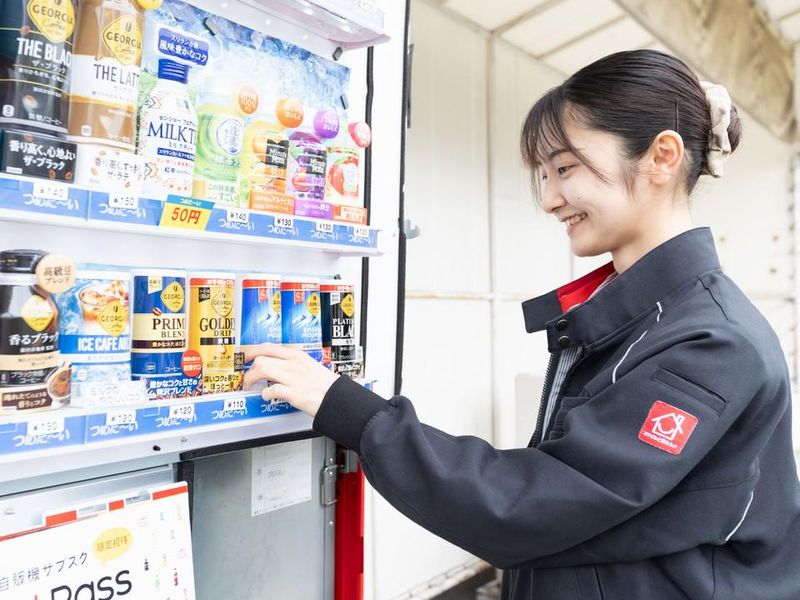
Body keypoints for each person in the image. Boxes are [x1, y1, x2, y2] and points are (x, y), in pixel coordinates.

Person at [243, 50, 800, 599]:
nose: (550, 199)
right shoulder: (644, 316)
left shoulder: (712, 344)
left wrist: (348, 408)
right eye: (545, 174)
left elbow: (533, 504)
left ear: (662, 156)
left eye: (565, 168)